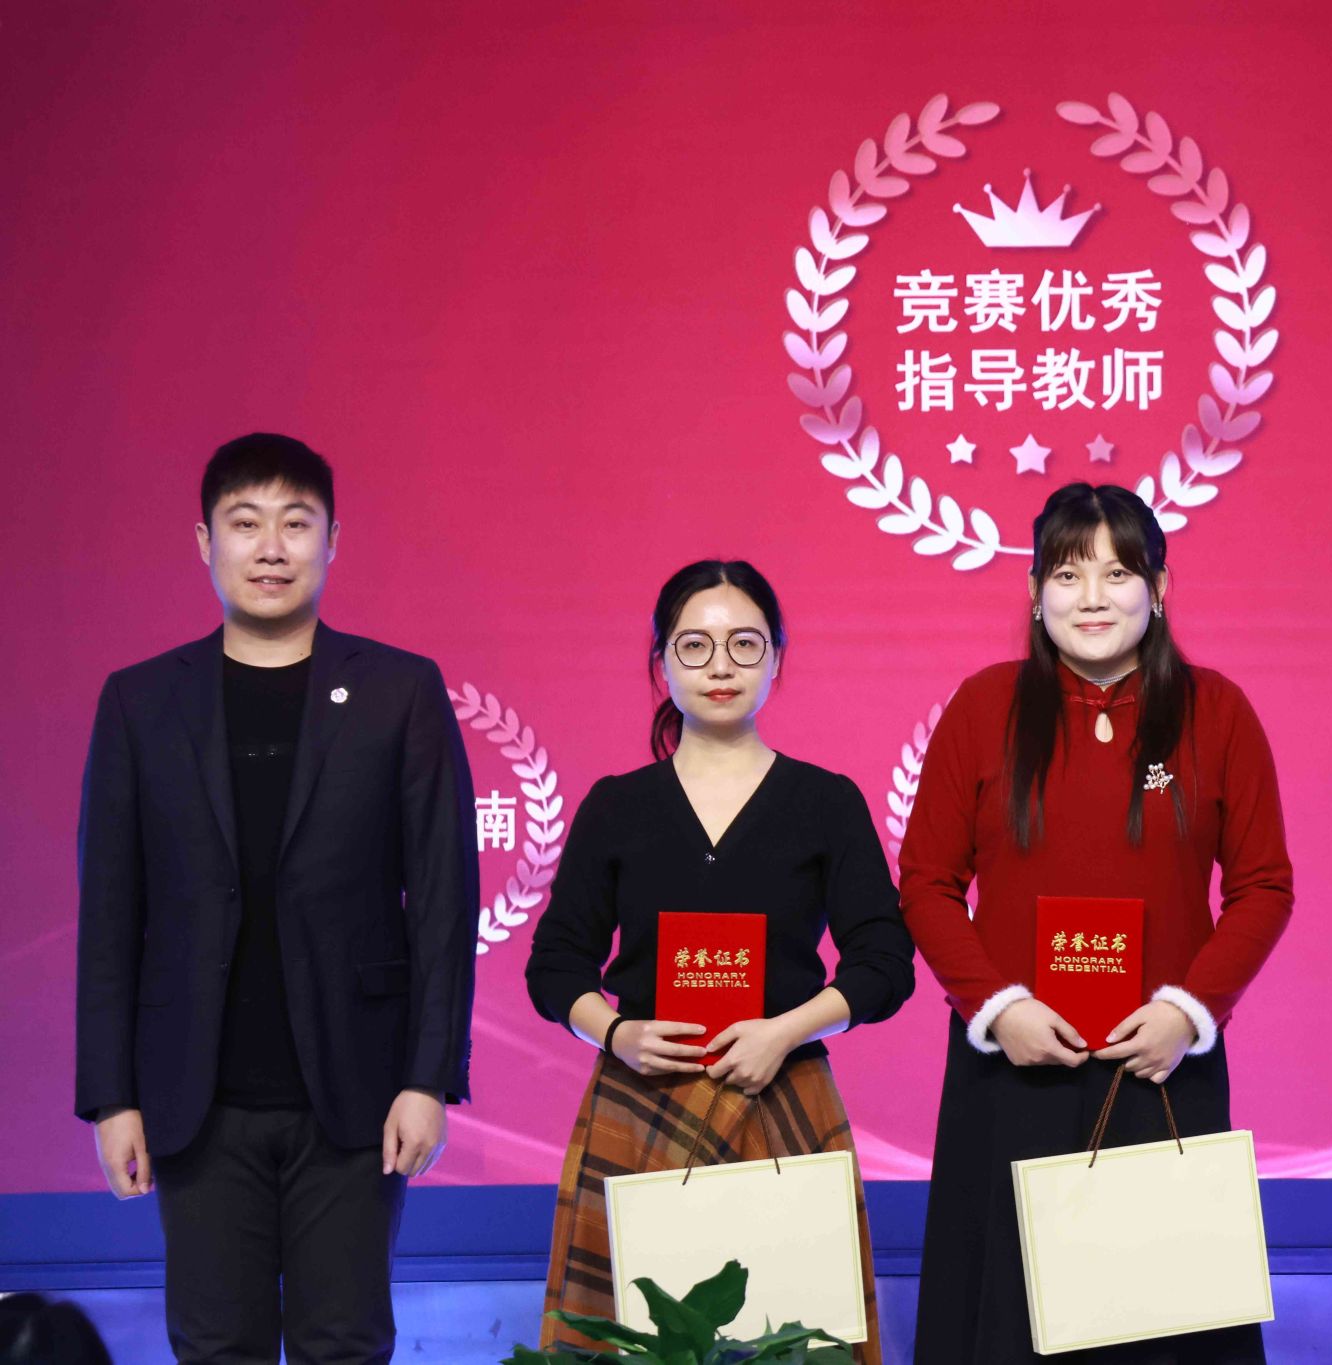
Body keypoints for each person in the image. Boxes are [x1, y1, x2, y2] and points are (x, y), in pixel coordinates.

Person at [75, 433, 479, 1364]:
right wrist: (111, 1098)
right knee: (216, 1345)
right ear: (204, 541)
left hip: (358, 1094)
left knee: (346, 1343)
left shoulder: (399, 690)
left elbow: (445, 901)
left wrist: (428, 1079)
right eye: (244, 523)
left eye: (296, 524)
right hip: (194, 1098)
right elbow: (109, 916)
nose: (270, 548)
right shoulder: (141, 701)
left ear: (332, 541)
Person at [900, 483, 1293, 1364]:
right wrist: (996, 1006)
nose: (1092, 597)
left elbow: (1264, 886)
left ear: (1161, 587)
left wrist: (1189, 1012)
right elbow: (925, 881)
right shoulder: (984, 706)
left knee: (1164, 1323)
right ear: (1033, 590)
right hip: (1012, 1068)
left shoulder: (1217, 710)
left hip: (1161, 1068)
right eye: (1067, 573)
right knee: (1008, 1321)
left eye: (1118, 573)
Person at [525, 559, 914, 1360]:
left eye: (745, 643)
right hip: (640, 1100)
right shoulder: (618, 804)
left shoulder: (826, 801)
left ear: (776, 659)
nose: (721, 665)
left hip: (785, 1093)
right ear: (661, 663)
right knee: (636, 1344)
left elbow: (884, 960)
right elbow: (556, 963)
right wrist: (617, 1033)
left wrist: (786, 1030)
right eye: (695, 646)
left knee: (795, 1344)